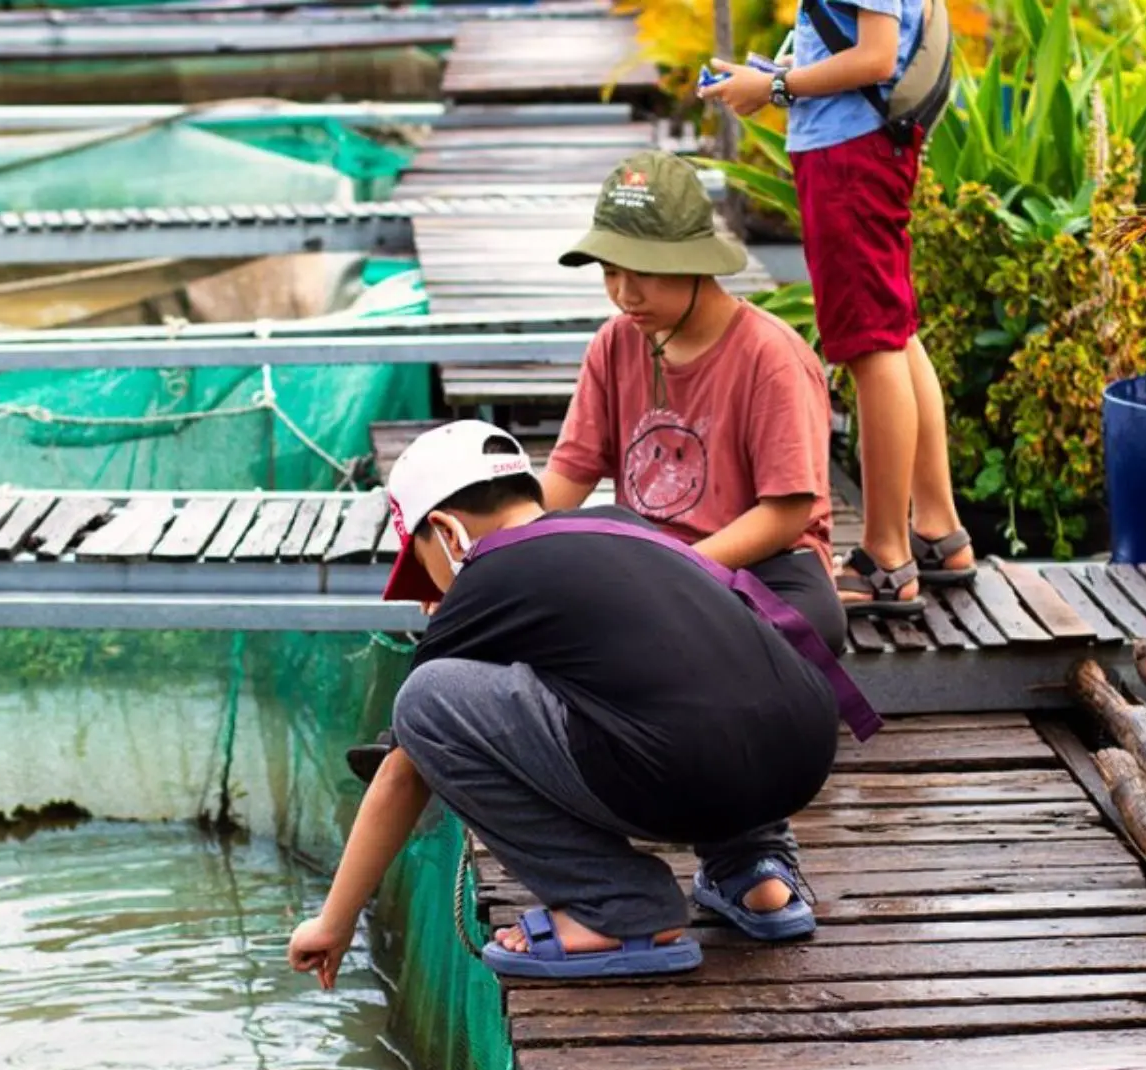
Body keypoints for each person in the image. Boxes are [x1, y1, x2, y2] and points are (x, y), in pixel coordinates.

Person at [287, 420, 844, 984]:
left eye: (426, 569)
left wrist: (334, 920)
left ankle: (617, 907)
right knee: (683, 681)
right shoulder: (623, 526)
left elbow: (405, 771)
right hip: (803, 749)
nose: (433, 595)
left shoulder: (486, 576)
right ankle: (756, 873)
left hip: (683, 769)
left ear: (449, 534)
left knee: (425, 702)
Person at [699, 0, 975, 617]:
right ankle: (937, 530)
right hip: (863, 146)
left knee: (871, 346)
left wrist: (774, 85)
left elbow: (876, 57)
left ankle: (886, 558)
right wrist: (774, 76)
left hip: (850, 155)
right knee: (896, 333)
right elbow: (868, 44)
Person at [540, 148, 846, 653]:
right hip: (646, 558)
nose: (623, 293)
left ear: (693, 263)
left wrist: (680, 573)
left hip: (760, 563)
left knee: (809, 623)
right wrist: (490, 551)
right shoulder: (614, 343)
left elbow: (786, 513)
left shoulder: (770, 355)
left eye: (643, 271)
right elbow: (568, 478)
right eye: (610, 272)